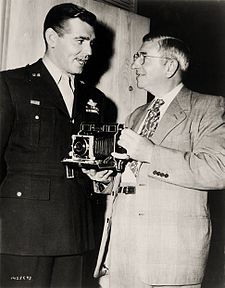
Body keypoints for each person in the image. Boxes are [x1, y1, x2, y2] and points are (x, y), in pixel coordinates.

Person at [83, 34, 225, 288]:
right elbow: (130, 177)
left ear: (170, 66)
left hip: (168, 255)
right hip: (123, 252)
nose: (135, 64)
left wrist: (150, 153)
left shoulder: (208, 107)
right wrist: (104, 179)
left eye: (142, 57)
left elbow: (217, 170)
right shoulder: (136, 115)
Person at [0, 3, 110, 287]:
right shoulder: (11, 85)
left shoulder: (96, 101)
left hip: (77, 230)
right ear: (52, 38)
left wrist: (99, 175)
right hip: (24, 231)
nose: (89, 52)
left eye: (91, 43)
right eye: (80, 41)